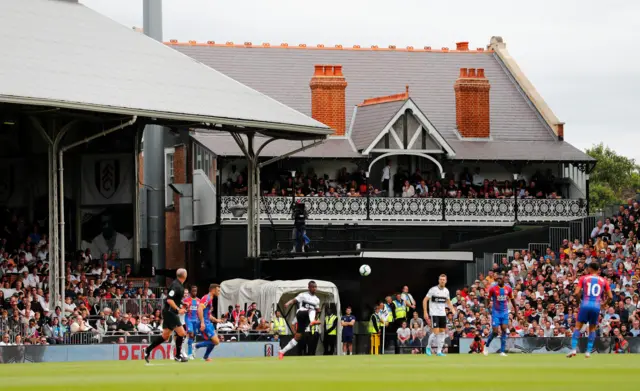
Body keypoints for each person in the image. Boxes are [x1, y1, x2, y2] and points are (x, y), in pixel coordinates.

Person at [567, 262, 612, 358]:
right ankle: (588, 352)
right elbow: (611, 297)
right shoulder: (604, 280)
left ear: (590, 269)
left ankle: (574, 349)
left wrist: (579, 301)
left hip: (585, 304)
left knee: (578, 327)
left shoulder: (583, 278)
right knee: (592, 329)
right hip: (596, 306)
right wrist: (604, 304)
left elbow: (576, 292)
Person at [144, 269, 189, 363]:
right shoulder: (176, 285)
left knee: (165, 336)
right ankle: (178, 356)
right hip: (170, 312)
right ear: (185, 275)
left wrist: (182, 303)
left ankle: (147, 350)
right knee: (182, 333)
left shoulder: (178, 284)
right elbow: (169, 300)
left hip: (169, 312)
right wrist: (178, 309)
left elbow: (174, 299)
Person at [279, 281, 320, 359]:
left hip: (307, 319)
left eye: (315, 287)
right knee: (311, 310)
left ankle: (282, 352)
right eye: (313, 287)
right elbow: (294, 300)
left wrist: (317, 314)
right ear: (309, 287)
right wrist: (288, 303)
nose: (314, 288)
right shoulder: (303, 295)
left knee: (297, 337)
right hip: (301, 313)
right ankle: (312, 321)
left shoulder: (317, 299)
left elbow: (317, 310)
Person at [423, 274, 455, 357]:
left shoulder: (446, 291)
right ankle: (428, 347)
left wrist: (453, 310)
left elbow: (448, 301)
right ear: (438, 280)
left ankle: (439, 351)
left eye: (444, 279)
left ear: (446, 281)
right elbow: (425, 300)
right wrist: (425, 312)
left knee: (442, 332)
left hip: (442, 314)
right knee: (435, 332)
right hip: (434, 313)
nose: (442, 281)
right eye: (441, 279)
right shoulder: (433, 290)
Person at [484, 275, 517, 356]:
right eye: (497, 279)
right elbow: (488, 298)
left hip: (505, 312)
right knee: (495, 331)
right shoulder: (493, 288)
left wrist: (516, 310)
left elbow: (512, 299)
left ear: (503, 279)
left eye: (500, 279)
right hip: (496, 312)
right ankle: (486, 345)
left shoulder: (508, 288)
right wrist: (487, 307)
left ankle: (502, 351)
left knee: (504, 330)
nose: (498, 280)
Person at [194, 284, 222, 362]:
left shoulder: (210, 299)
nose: (219, 292)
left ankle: (205, 357)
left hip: (208, 322)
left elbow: (207, 314)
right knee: (216, 341)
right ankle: (196, 346)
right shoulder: (207, 298)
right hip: (204, 323)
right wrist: (202, 322)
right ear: (213, 290)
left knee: (214, 341)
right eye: (218, 290)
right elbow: (199, 309)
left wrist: (216, 320)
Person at [183, 285, 199, 360]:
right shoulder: (186, 300)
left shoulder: (199, 300)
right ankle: (189, 354)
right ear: (190, 292)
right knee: (191, 334)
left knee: (193, 336)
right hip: (188, 319)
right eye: (193, 291)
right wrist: (186, 309)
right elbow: (183, 309)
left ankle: (191, 351)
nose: (194, 292)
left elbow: (200, 311)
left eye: (195, 291)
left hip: (196, 320)